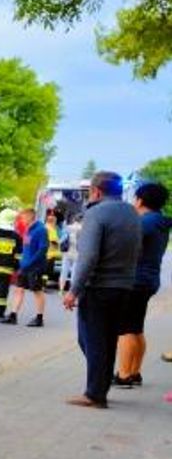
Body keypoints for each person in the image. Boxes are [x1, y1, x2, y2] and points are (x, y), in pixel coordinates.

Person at [62, 171, 142, 408]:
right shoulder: (132, 213)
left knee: (91, 339)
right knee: (107, 340)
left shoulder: (95, 213)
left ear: (96, 191)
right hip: (124, 286)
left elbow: (88, 256)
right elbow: (138, 251)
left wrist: (73, 290)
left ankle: (95, 394)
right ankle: (101, 386)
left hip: (98, 288)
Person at [113, 182, 170, 387]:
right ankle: (135, 372)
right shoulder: (160, 222)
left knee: (126, 329)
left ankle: (124, 374)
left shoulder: (144, 223)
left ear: (140, 200)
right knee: (136, 328)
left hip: (135, 281)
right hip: (149, 280)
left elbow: (123, 246)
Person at [1, 207, 48, 327]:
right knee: (19, 289)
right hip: (24, 266)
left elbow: (43, 249)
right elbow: (26, 247)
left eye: (23, 217)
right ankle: (13, 315)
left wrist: (31, 262)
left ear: (30, 216)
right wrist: (22, 262)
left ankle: (39, 318)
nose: (21, 220)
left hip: (35, 267)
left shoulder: (41, 229)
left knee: (37, 291)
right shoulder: (28, 230)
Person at [59, 214, 80, 294]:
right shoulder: (83, 229)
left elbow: (61, 240)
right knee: (74, 273)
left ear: (74, 219)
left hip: (67, 252)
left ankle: (61, 290)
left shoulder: (67, 228)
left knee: (64, 270)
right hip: (77, 253)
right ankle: (71, 291)